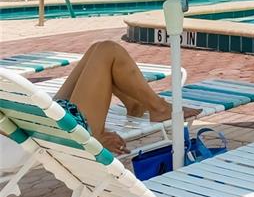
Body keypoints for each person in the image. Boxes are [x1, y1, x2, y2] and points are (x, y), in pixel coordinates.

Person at [53, 40, 199, 155]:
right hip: (71, 127)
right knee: (108, 50)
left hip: (51, 117)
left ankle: (136, 105)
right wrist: (96, 139)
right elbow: (85, 139)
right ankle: (158, 108)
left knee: (97, 48)